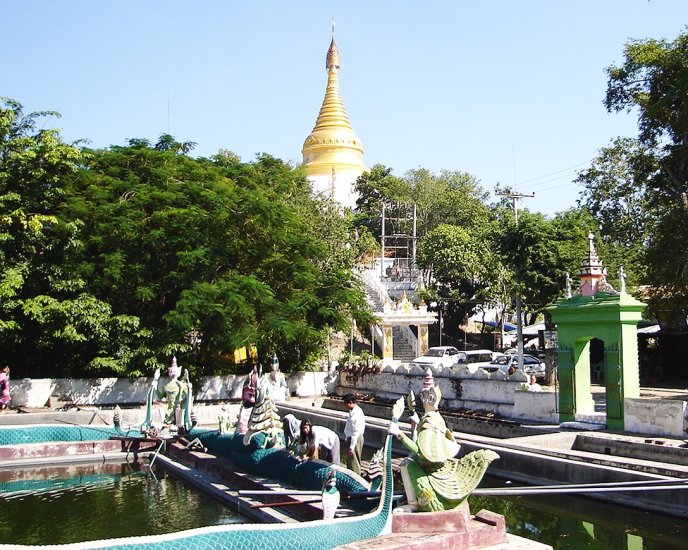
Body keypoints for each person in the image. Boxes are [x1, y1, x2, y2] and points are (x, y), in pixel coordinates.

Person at [343, 393, 365, 475]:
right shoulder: (352, 411)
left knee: (354, 462)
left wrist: (352, 447)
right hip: (351, 438)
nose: (345, 406)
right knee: (350, 462)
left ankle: (356, 478)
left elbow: (356, 432)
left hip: (355, 439)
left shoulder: (357, 413)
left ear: (351, 402)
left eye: (346, 403)